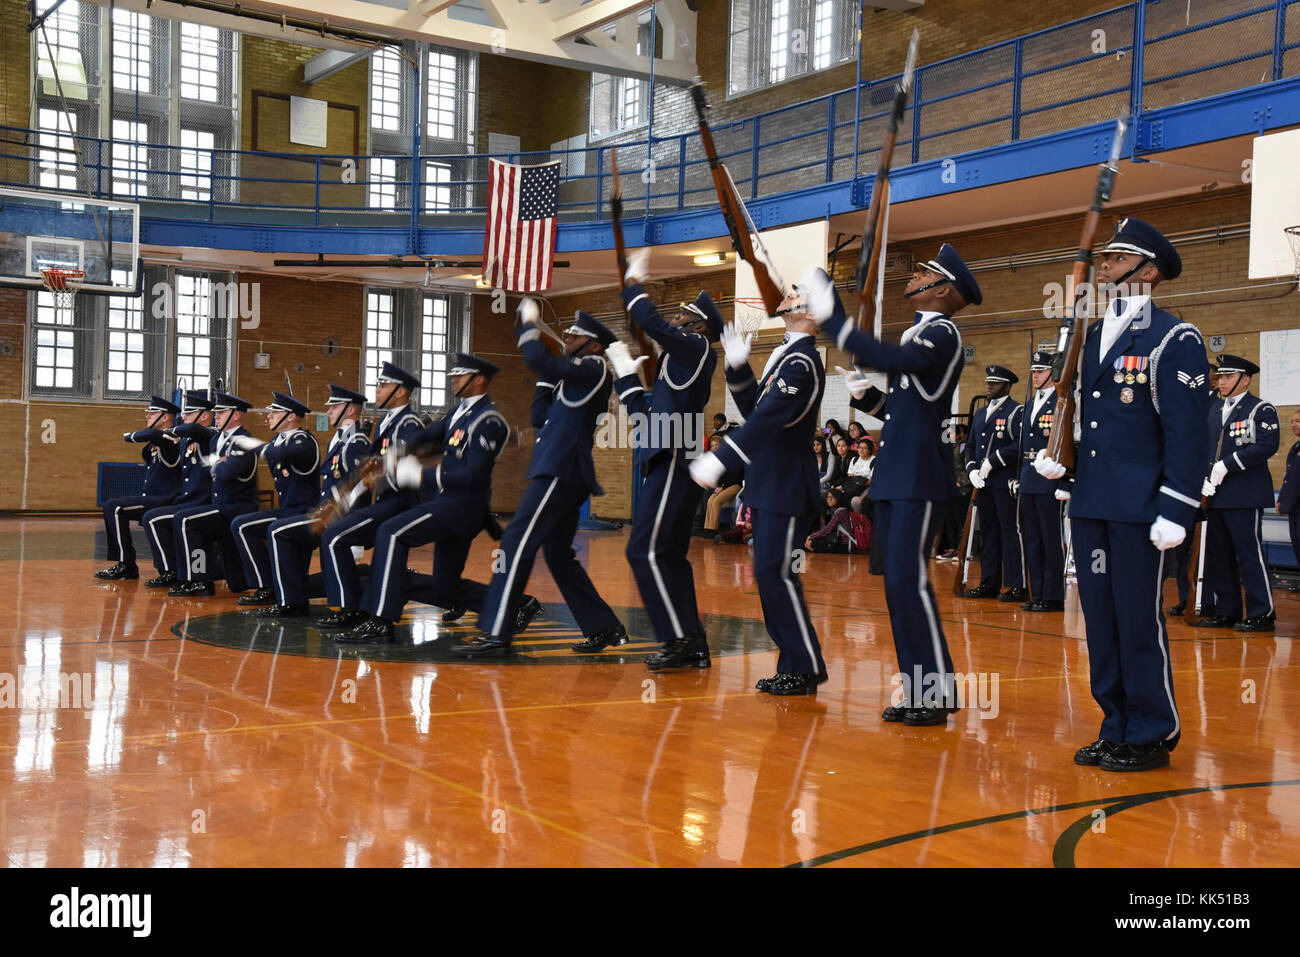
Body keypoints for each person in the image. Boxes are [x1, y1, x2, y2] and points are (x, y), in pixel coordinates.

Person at [1036, 216, 1211, 772]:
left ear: (1148, 271)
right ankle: (1115, 725)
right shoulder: (1087, 335)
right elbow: (1086, 419)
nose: (1104, 266)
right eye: (1106, 258)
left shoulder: (1173, 337)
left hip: (1142, 508)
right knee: (1101, 622)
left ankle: (1153, 731)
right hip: (1091, 502)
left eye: (1116, 259)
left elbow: (1188, 432)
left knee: (1138, 621)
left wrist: (1178, 505)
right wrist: (1062, 466)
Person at [819, 246, 976, 725]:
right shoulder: (922, 333)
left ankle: (932, 692)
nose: (915, 277)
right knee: (897, 587)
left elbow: (888, 354)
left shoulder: (941, 332)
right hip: (898, 474)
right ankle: (926, 689)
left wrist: (839, 323)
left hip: (918, 477)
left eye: (925, 274)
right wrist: (869, 398)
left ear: (944, 290)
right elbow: (907, 411)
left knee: (911, 585)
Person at [450, 305, 628, 657]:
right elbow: (540, 416)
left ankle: (496, 632)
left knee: (515, 544)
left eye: (575, 336)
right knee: (559, 556)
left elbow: (542, 361)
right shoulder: (574, 377)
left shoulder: (594, 368)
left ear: (593, 346)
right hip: (559, 472)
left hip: (560, 473)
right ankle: (604, 627)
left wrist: (530, 327)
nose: (568, 339)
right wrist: (548, 377)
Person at [337, 354, 541, 644]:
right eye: (453, 375)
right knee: (445, 590)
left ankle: (380, 621)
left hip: (462, 505)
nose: (453, 379)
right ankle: (517, 605)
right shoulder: (458, 412)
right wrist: (394, 455)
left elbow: (470, 475)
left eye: (460, 375)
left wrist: (417, 474)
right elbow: (426, 438)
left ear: (479, 379)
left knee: (391, 532)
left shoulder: (489, 420)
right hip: (450, 505)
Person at [689, 269, 828, 695]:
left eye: (796, 293)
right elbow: (755, 407)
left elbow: (768, 421)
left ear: (812, 312)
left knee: (777, 575)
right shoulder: (788, 356)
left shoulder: (803, 362)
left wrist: (721, 459)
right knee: (769, 576)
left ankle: (804, 666)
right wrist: (736, 365)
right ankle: (794, 663)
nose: (787, 296)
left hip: (786, 486)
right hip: (770, 483)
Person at [607, 257, 724, 669]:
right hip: (666, 456)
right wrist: (624, 378)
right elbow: (646, 418)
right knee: (668, 556)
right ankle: (689, 640)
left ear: (701, 325)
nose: (674, 319)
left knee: (644, 551)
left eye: (683, 315)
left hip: (676, 458)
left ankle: (679, 638)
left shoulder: (697, 348)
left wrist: (634, 285)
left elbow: (652, 324)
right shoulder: (678, 361)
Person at [317, 362, 427, 629]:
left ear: (401, 392)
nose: (377, 390)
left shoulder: (408, 423)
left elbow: (412, 464)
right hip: (385, 502)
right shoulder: (385, 423)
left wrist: (379, 473)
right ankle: (353, 604)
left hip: (399, 504)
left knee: (334, 536)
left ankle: (351, 607)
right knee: (333, 536)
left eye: (383, 385)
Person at [257, 383, 373, 618]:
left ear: (350, 410)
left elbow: (360, 486)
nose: (328, 411)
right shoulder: (338, 440)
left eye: (334, 406)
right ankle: (293, 594)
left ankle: (293, 601)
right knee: (282, 532)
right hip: (327, 514)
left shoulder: (355, 442)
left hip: (340, 517)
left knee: (279, 531)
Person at [1197, 354, 1280, 631]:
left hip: (1245, 494)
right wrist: (1203, 477)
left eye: (1229, 377)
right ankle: (1227, 610)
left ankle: (1262, 612)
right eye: (1220, 377)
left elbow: (1267, 445)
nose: (1222, 382)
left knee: (1249, 553)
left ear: (1245, 379)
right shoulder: (1213, 410)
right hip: (1216, 494)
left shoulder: (1260, 409)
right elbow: (1205, 449)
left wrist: (1227, 465)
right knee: (1219, 554)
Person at [228, 391, 320, 605]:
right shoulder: (278, 440)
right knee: (241, 525)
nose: (268, 416)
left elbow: (279, 454)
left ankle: (274, 588)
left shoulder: (304, 440)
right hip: (286, 509)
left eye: (274, 412)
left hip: (305, 512)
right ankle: (266, 584)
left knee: (245, 526)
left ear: (290, 416)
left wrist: (252, 444)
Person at [167, 392, 261, 597]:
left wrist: (218, 465)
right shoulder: (217, 439)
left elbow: (226, 473)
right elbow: (214, 468)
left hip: (237, 506)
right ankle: (202, 574)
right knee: (236, 583)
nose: (216, 416)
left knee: (186, 520)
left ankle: (200, 580)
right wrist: (220, 463)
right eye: (216, 413)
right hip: (221, 504)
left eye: (221, 412)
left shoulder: (243, 439)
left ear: (236, 415)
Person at [94, 395, 183, 580]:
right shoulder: (155, 443)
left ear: (165, 417)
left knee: (114, 507)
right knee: (113, 507)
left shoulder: (171, 438)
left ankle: (126, 564)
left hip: (165, 498)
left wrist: (131, 436)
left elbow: (154, 435)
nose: (147, 417)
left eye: (152, 414)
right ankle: (126, 564)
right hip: (152, 497)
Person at [963, 365, 1027, 603]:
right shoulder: (980, 413)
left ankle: (1017, 584)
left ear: (1007, 386)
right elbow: (970, 446)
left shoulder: (1016, 411)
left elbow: (1019, 444)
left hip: (1003, 481)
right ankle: (989, 582)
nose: (989, 386)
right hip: (983, 483)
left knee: (1010, 531)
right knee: (988, 532)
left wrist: (992, 461)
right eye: (989, 381)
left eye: (996, 382)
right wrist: (971, 470)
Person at [140, 391, 215, 588]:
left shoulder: (211, 435)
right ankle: (172, 570)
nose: (184, 417)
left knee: (172, 519)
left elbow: (196, 430)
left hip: (205, 501)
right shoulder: (187, 440)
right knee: (154, 517)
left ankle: (198, 578)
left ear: (204, 415)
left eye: (189, 414)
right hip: (188, 500)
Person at [1017, 351, 1068, 612]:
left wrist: (1065, 479)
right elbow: (1023, 445)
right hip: (1028, 478)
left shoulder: (1060, 402)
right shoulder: (1029, 404)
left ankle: (1053, 596)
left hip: (1049, 478)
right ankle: (1036, 592)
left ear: (1051, 372)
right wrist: (1018, 477)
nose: (1035, 376)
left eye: (1040, 371)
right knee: (1032, 538)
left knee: (1050, 538)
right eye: (1033, 371)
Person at [805, 488, 870, 554]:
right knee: (811, 544)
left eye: (832, 497)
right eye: (828, 497)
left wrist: (810, 536)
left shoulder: (841, 511)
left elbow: (828, 529)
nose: (829, 499)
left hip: (845, 545)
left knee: (811, 545)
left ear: (838, 498)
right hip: (840, 543)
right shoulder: (834, 511)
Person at [701, 435, 742, 534]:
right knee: (710, 500)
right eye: (712, 446)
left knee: (716, 502)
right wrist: (719, 486)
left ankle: (713, 529)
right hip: (724, 486)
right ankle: (707, 528)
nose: (714, 447)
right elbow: (719, 477)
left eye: (717, 445)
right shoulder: (717, 459)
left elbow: (735, 475)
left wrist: (722, 487)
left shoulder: (731, 456)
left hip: (735, 485)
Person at [1279, 409, 1300, 593]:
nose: (1294, 424)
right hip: (1294, 508)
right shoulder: (1295, 448)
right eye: (1293, 421)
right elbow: (1289, 478)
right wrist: (1283, 500)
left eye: (1298, 421)